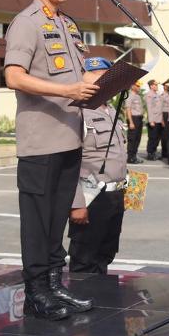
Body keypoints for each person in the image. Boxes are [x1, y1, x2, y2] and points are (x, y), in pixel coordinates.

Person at [4, 0, 97, 321]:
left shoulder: (68, 24)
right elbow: (14, 76)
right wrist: (68, 91)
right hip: (41, 142)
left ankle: (56, 285)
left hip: (69, 138)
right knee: (37, 222)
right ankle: (35, 293)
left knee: (58, 219)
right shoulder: (26, 22)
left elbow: (78, 78)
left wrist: (109, 80)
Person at [68, 57, 128, 274]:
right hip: (91, 195)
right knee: (84, 256)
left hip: (115, 193)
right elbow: (70, 162)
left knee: (106, 252)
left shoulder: (111, 111)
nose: (100, 83)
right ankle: (83, 297)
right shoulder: (78, 112)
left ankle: (102, 301)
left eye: (104, 77)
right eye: (93, 77)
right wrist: (76, 204)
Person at [125, 81, 144, 164]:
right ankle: (130, 157)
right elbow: (128, 109)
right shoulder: (130, 96)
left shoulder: (137, 96)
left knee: (137, 138)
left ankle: (134, 155)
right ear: (132, 86)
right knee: (132, 139)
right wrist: (131, 122)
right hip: (133, 119)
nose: (139, 87)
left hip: (139, 118)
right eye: (137, 86)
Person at [144, 79, 163, 160]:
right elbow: (149, 108)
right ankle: (150, 153)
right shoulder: (149, 95)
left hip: (158, 120)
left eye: (157, 84)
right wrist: (151, 120)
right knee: (152, 138)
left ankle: (154, 152)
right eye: (155, 85)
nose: (157, 86)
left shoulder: (157, 94)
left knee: (157, 138)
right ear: (151, 86)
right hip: (153, 120)